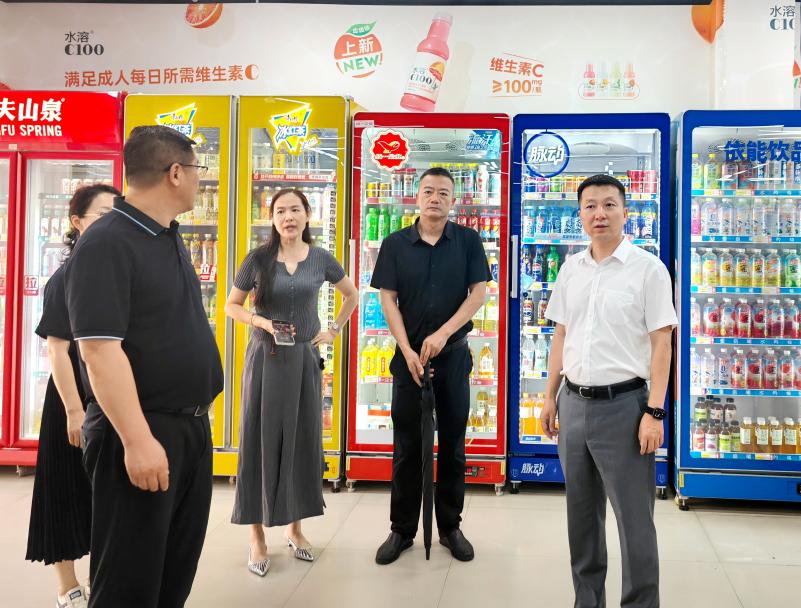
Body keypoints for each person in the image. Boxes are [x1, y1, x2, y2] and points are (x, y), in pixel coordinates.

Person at [65, 125, 224, 608]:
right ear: (175, 173)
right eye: (196, 169)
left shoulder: (166, 235)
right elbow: (99, 350)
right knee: (129, 582)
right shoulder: (108, 242)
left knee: (173, 574)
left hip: (188, 429)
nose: (199, 179)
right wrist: (137, 441)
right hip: (141, 431)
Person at [540, 173, 676, 608]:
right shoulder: (570, 269)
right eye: (590, 206)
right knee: (581, 519)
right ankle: (587, 601)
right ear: (580, 215)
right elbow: (561, 335)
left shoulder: (648, 270)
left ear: (625, 212)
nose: (599, 213)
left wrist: (654, 412)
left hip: (625, 407)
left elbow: (662, 343)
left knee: (634, 521)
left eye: (609, 204)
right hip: (573, 404)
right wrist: (549, 395)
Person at [225, 187, 358, 576]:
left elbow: (351, 294)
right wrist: (262, 322)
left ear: (307, 215)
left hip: (303, 359)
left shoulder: (320, 258)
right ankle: (256, 537)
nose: (288, 217)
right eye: (281, 211)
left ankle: (295, 529)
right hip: (265, 358)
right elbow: (231, 305)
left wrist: (333, 329)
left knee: (301, 439)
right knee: (259, 439)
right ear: (272, 218)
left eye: (295, 210)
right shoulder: (258, 259)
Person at [371, 166, 491, 565]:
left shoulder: (468, 241)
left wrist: (443, 334)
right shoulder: (395, 244)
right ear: (416, 196)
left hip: (453, 356)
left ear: (453, 200)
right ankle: (401, 530)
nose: (435, 198)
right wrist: (407, 350)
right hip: (408, 360)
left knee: (453, 445)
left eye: (442, 192)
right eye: (428, 191)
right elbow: (388, 299)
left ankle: (451, 527)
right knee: (407, 446)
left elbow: (478, 294)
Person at [26, 183, 119, 608]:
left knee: (104, 494)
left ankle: (104, 576)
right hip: (74, 398)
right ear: (77, 222)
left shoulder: (116, 274)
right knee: (65, 488)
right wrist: (73, 411)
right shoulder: (66, 277)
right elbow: (57, 350)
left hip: (110, 396)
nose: (111, 222)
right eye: (102, 214)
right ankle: (67, 584)